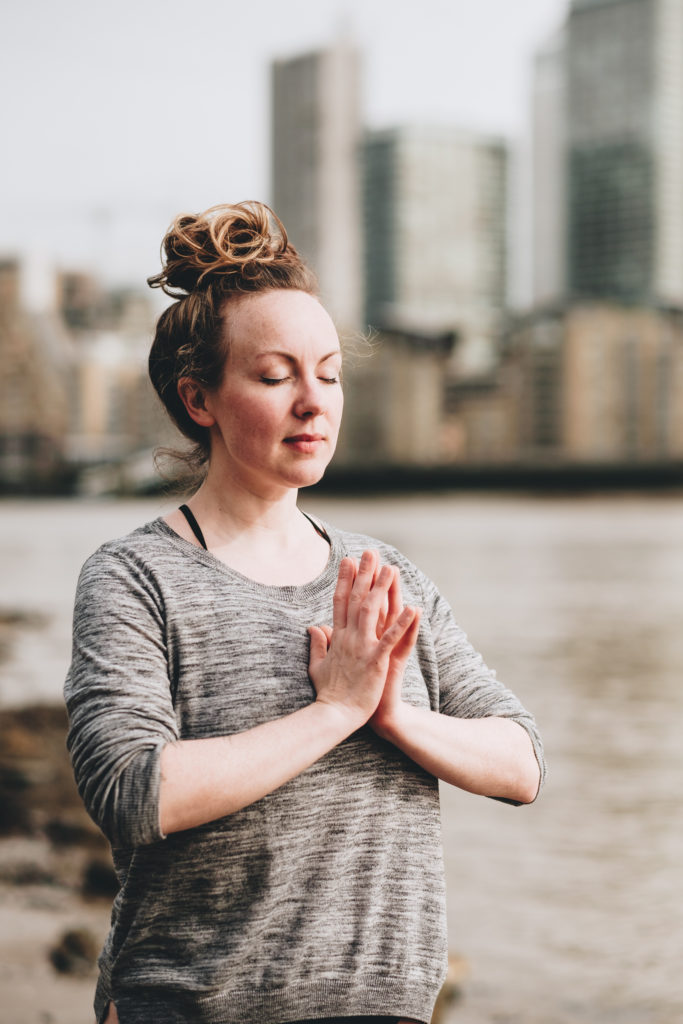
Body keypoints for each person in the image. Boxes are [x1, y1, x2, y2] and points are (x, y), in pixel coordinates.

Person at [64, 201, 545, 1024]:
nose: (312, 402)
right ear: (200, 398)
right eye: (275, 374)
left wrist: (393, 716)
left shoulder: (385, 575)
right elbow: (133, 790)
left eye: (328, 373)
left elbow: (521, 763)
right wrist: (336, 709)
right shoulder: (136, 577)